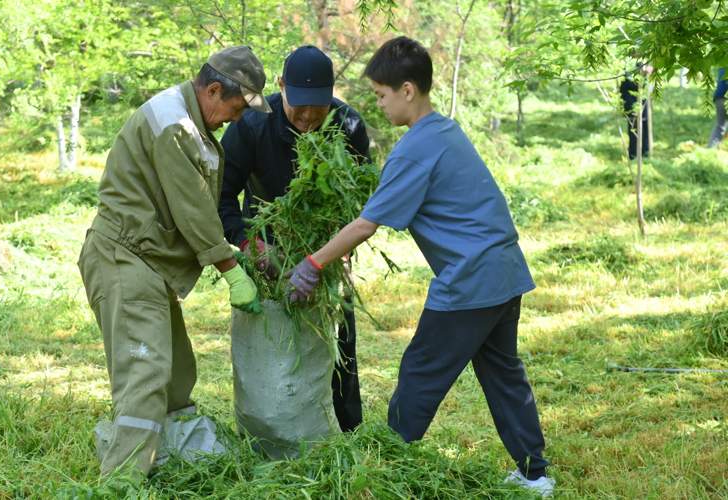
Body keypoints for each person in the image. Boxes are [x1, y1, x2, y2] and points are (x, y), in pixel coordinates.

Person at [286, 37, 554, 497]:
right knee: (503, 373)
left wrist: (312, 263)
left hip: (471, 280)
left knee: (419, 373)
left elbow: (367, 223)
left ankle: (383, 470)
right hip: (504, 273)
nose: (379, 103)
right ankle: (536, 475)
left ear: (407, 90)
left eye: (381, 94)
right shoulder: (446, 131)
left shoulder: (416, 148)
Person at [78, 46, 269, 477]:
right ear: (214, 90)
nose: (236, 120)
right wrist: (229, 267)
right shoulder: (175, 125)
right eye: (236, 109)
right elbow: (193, 208)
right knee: (145, 376)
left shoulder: (188, 119)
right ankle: (121, 482)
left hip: (151, 263)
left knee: (178, 372)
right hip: (124, 258)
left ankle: (172, 457)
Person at [218, 45, 370, 432]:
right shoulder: (251, 125)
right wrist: (250, 245)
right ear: (282, 87)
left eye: (316, 108)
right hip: (265, 250)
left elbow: (361, 202)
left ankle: (344, 431)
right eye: (298, 106)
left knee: (338, 344)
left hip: (329, 253)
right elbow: (221, 197)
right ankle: (266, 431)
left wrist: (338, 256)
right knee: (270, 343)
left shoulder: (348, 126)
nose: (306, 118)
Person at [619, 63, 652, 160]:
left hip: (642, 97)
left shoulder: (645, 58)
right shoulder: (628, 63)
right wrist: (642, 73)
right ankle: (633, 154)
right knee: (634, 125)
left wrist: (649, 70)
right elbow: (629, 83)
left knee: (644, 124)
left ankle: (645, 152)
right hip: (631, 98)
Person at [708, 67, 727, 148]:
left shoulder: (722, 62)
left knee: (720, 126)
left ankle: (710, 150)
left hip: (719, 97)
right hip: (724, 97)